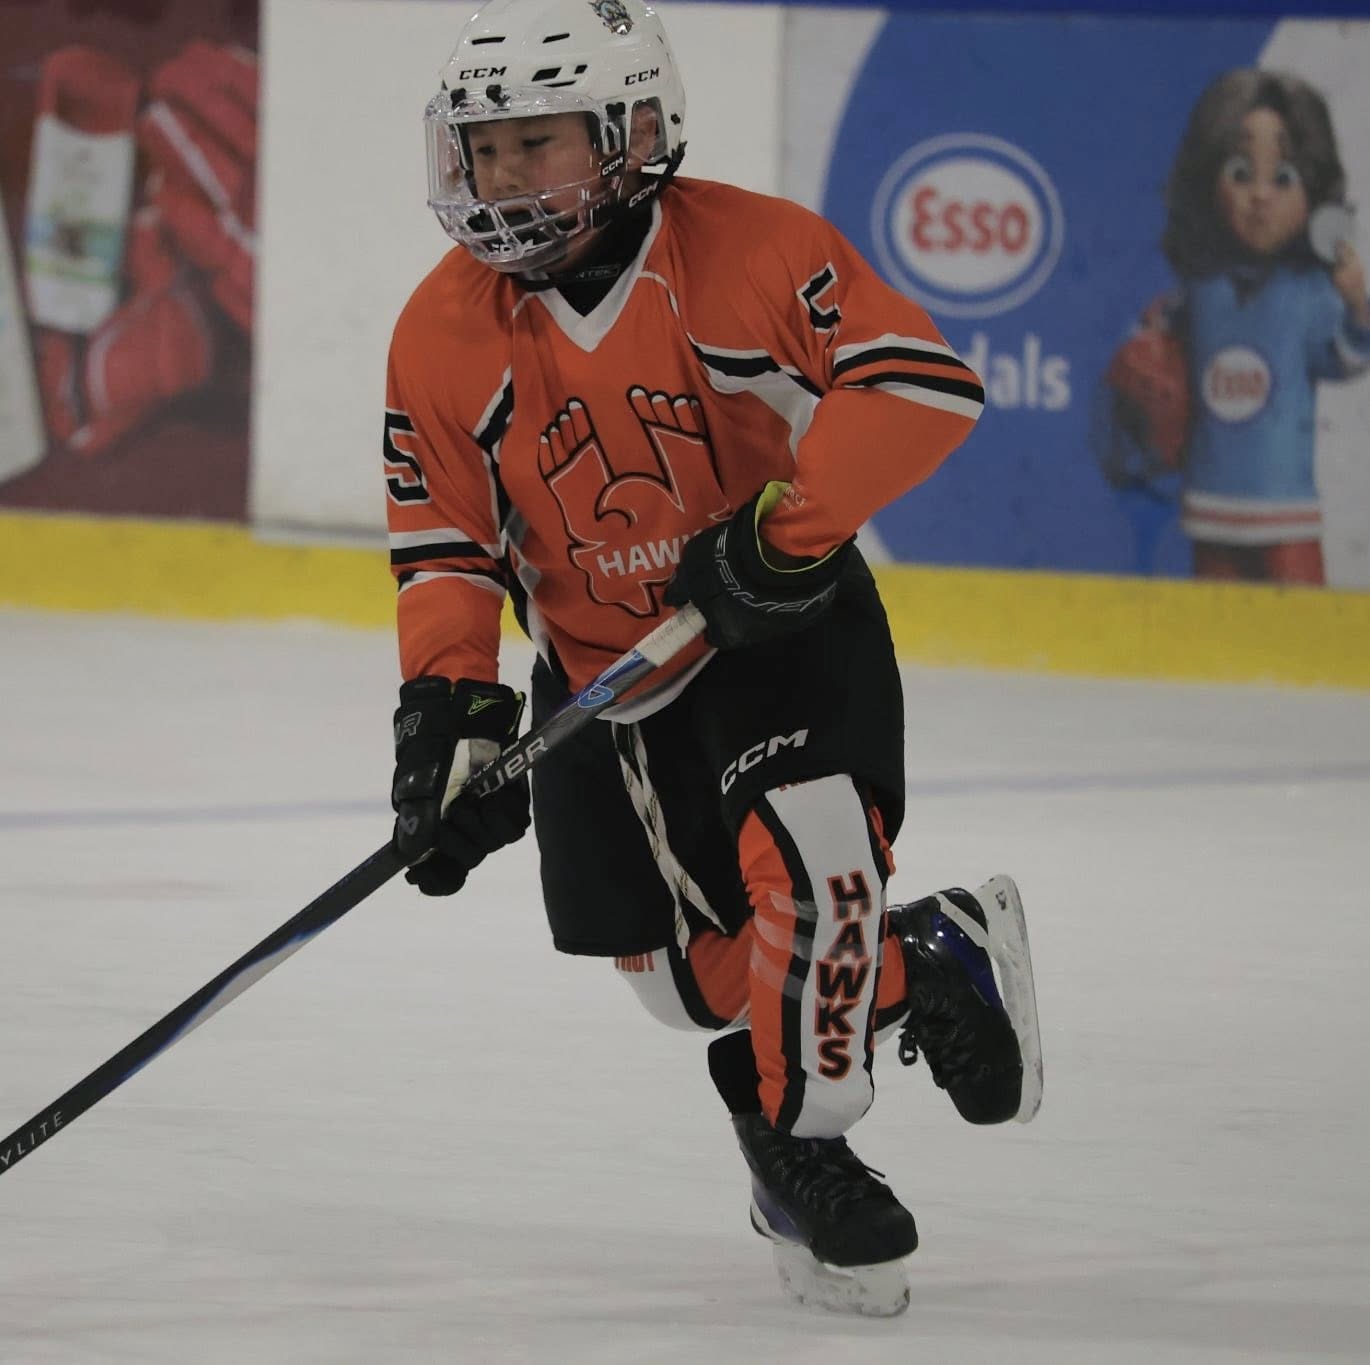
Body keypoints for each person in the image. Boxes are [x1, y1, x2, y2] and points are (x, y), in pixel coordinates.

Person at [380, 0, 1042, 1317]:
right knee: (691, 986)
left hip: (780, 629)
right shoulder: (441, 330)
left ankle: (800, 1143)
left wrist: (779, 541)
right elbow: (446, 545)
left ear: (632, 132)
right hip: (605, 679)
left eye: (535, 142)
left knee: (815, 859)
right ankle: (930, 958)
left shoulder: (747, 251)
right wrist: (452, 718)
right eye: (484, 148)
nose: (501, 177)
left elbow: (918, 382)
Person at [1098, 68, 1370, 585]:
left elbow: (1346, 358)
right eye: (1240, 172)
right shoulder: (1203, 289)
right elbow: (1154, 337)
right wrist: (1144, 347)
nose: (1260, 195)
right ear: (1207, 184)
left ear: (1314, 189)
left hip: (1286, 510)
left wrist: (1357, 304)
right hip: (1211, 503)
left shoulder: (1310, 293)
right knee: (1215, 627)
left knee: (1301, 625)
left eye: (1284, 177)